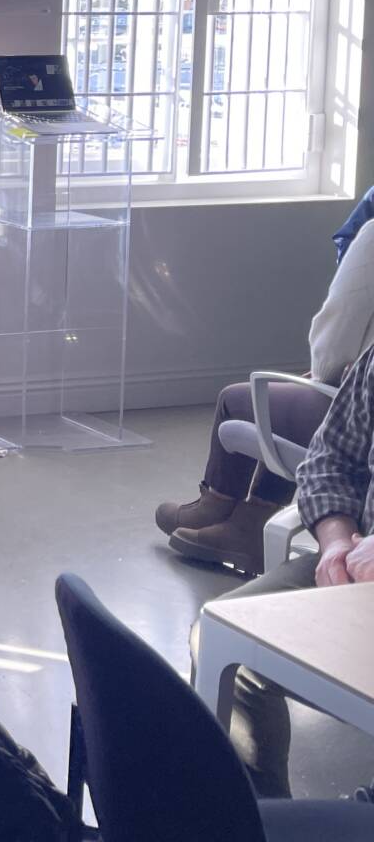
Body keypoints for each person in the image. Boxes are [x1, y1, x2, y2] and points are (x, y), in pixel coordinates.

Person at [155, 206, 374, 576]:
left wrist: (332, 373)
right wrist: (337, 541)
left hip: (348, 397)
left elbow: (333, 340)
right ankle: (246, 516)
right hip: (351, 552)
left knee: (236, 399)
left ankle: (224, 508)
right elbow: (329, 461)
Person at [206, 344, 374, 798]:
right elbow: (332, 458)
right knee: (225, 641)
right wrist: (336, 539)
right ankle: (262, 818)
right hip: (354, 574)